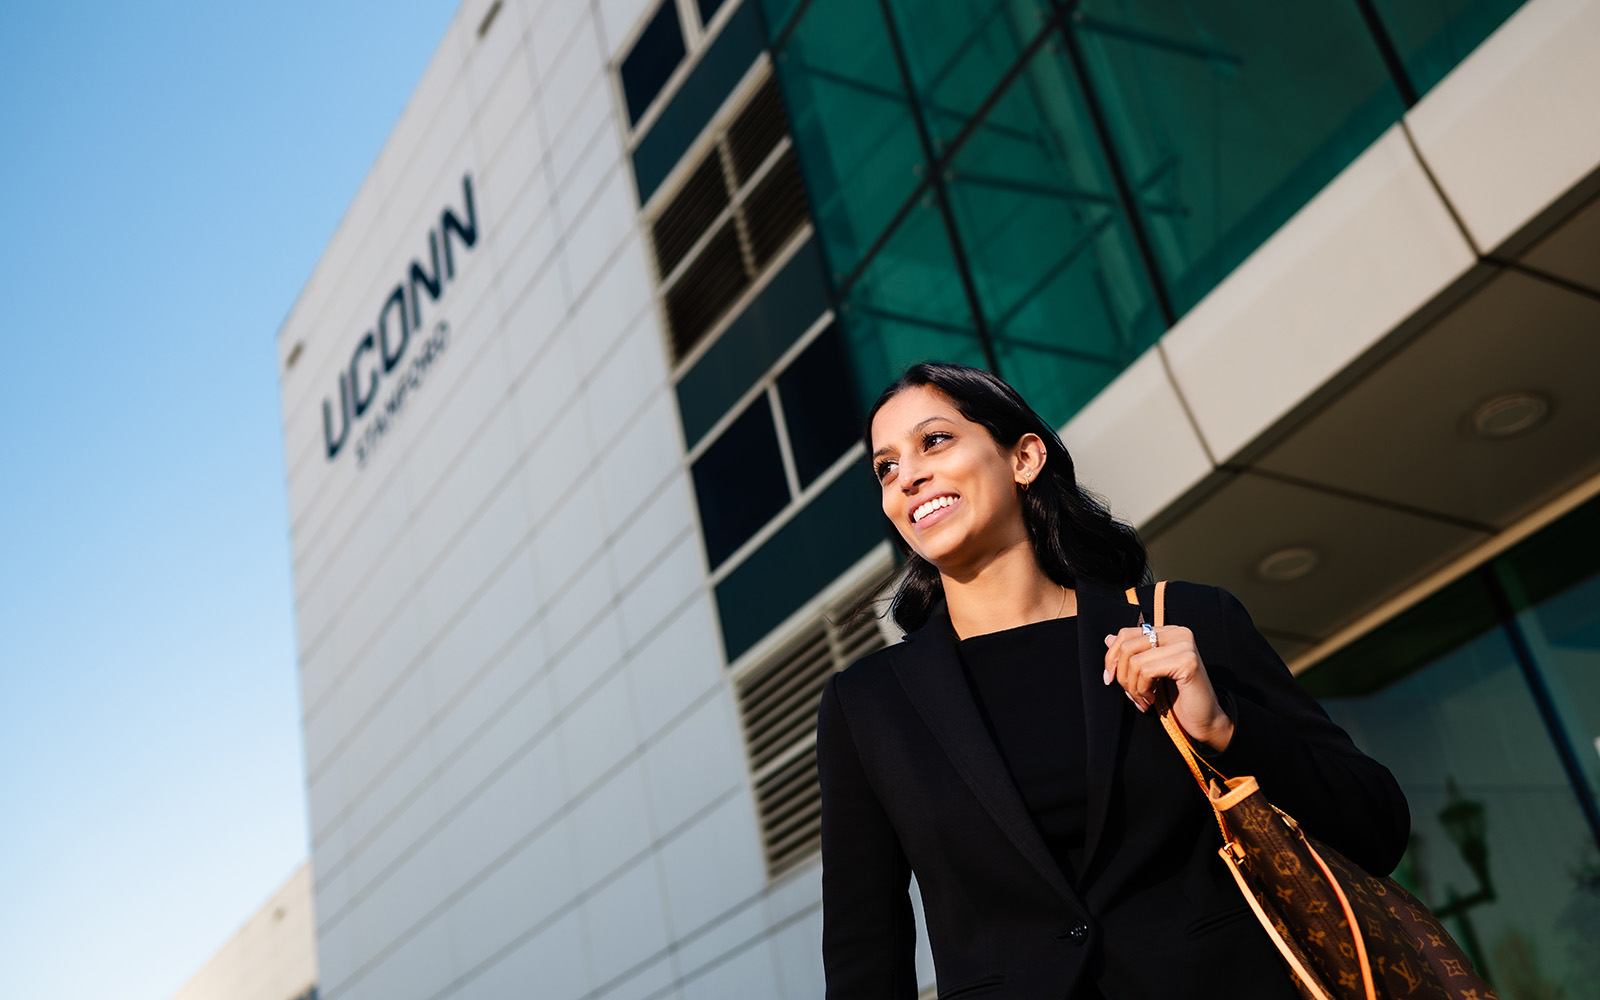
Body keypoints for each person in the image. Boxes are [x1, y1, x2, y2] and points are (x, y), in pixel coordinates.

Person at [817, 362, 1409, 999]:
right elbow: (864, 953)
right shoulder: (867, 708)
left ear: (1023, 458)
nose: (908, 475)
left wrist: (1225, 726)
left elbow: (1375, 827)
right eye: (886, 467)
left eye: (934, 441)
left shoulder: (1187, 622)